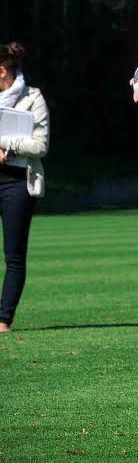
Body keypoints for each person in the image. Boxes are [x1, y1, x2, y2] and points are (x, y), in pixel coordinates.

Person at [0, 43, 49, 334]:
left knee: (14, 255)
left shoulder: (33, 98)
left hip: (18, 183)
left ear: (3, 70)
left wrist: (8, 146)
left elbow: (41, 145)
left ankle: (3, 319)